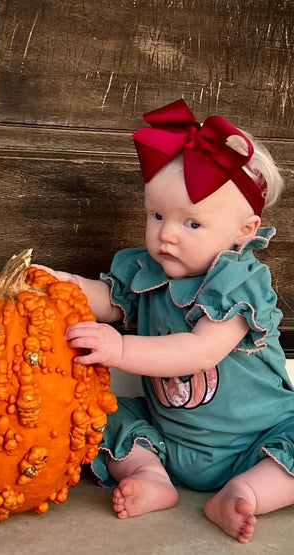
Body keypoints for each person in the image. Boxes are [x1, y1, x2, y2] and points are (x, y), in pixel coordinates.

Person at [36, 99, 294, 543]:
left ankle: (245, 491)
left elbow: (199, 352)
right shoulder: (145, 270)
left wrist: (119, 350)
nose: (167, 234)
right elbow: (110, 302)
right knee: (102, 418)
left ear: (244, 230)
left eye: (192, 223)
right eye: (157, 216)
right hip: (169, 437)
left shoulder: (240, 283)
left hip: (258, 441)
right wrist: (63, 284)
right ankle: (150, 474)